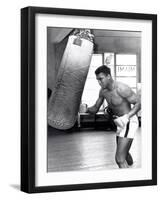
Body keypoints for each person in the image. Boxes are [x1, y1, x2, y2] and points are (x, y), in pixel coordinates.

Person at [85, 65, 141, 168]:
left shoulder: (122, 88)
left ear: (108, 76)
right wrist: (85, 109)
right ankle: (132, 169)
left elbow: (138, 103)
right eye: (97, 80)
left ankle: (128, 181)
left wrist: (127, 117)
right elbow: (96, 108)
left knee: (119, 159)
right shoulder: (103, 91)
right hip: (119, 123)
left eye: (101, 79)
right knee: (125, 153)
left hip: (129, 121)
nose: (99, 82)